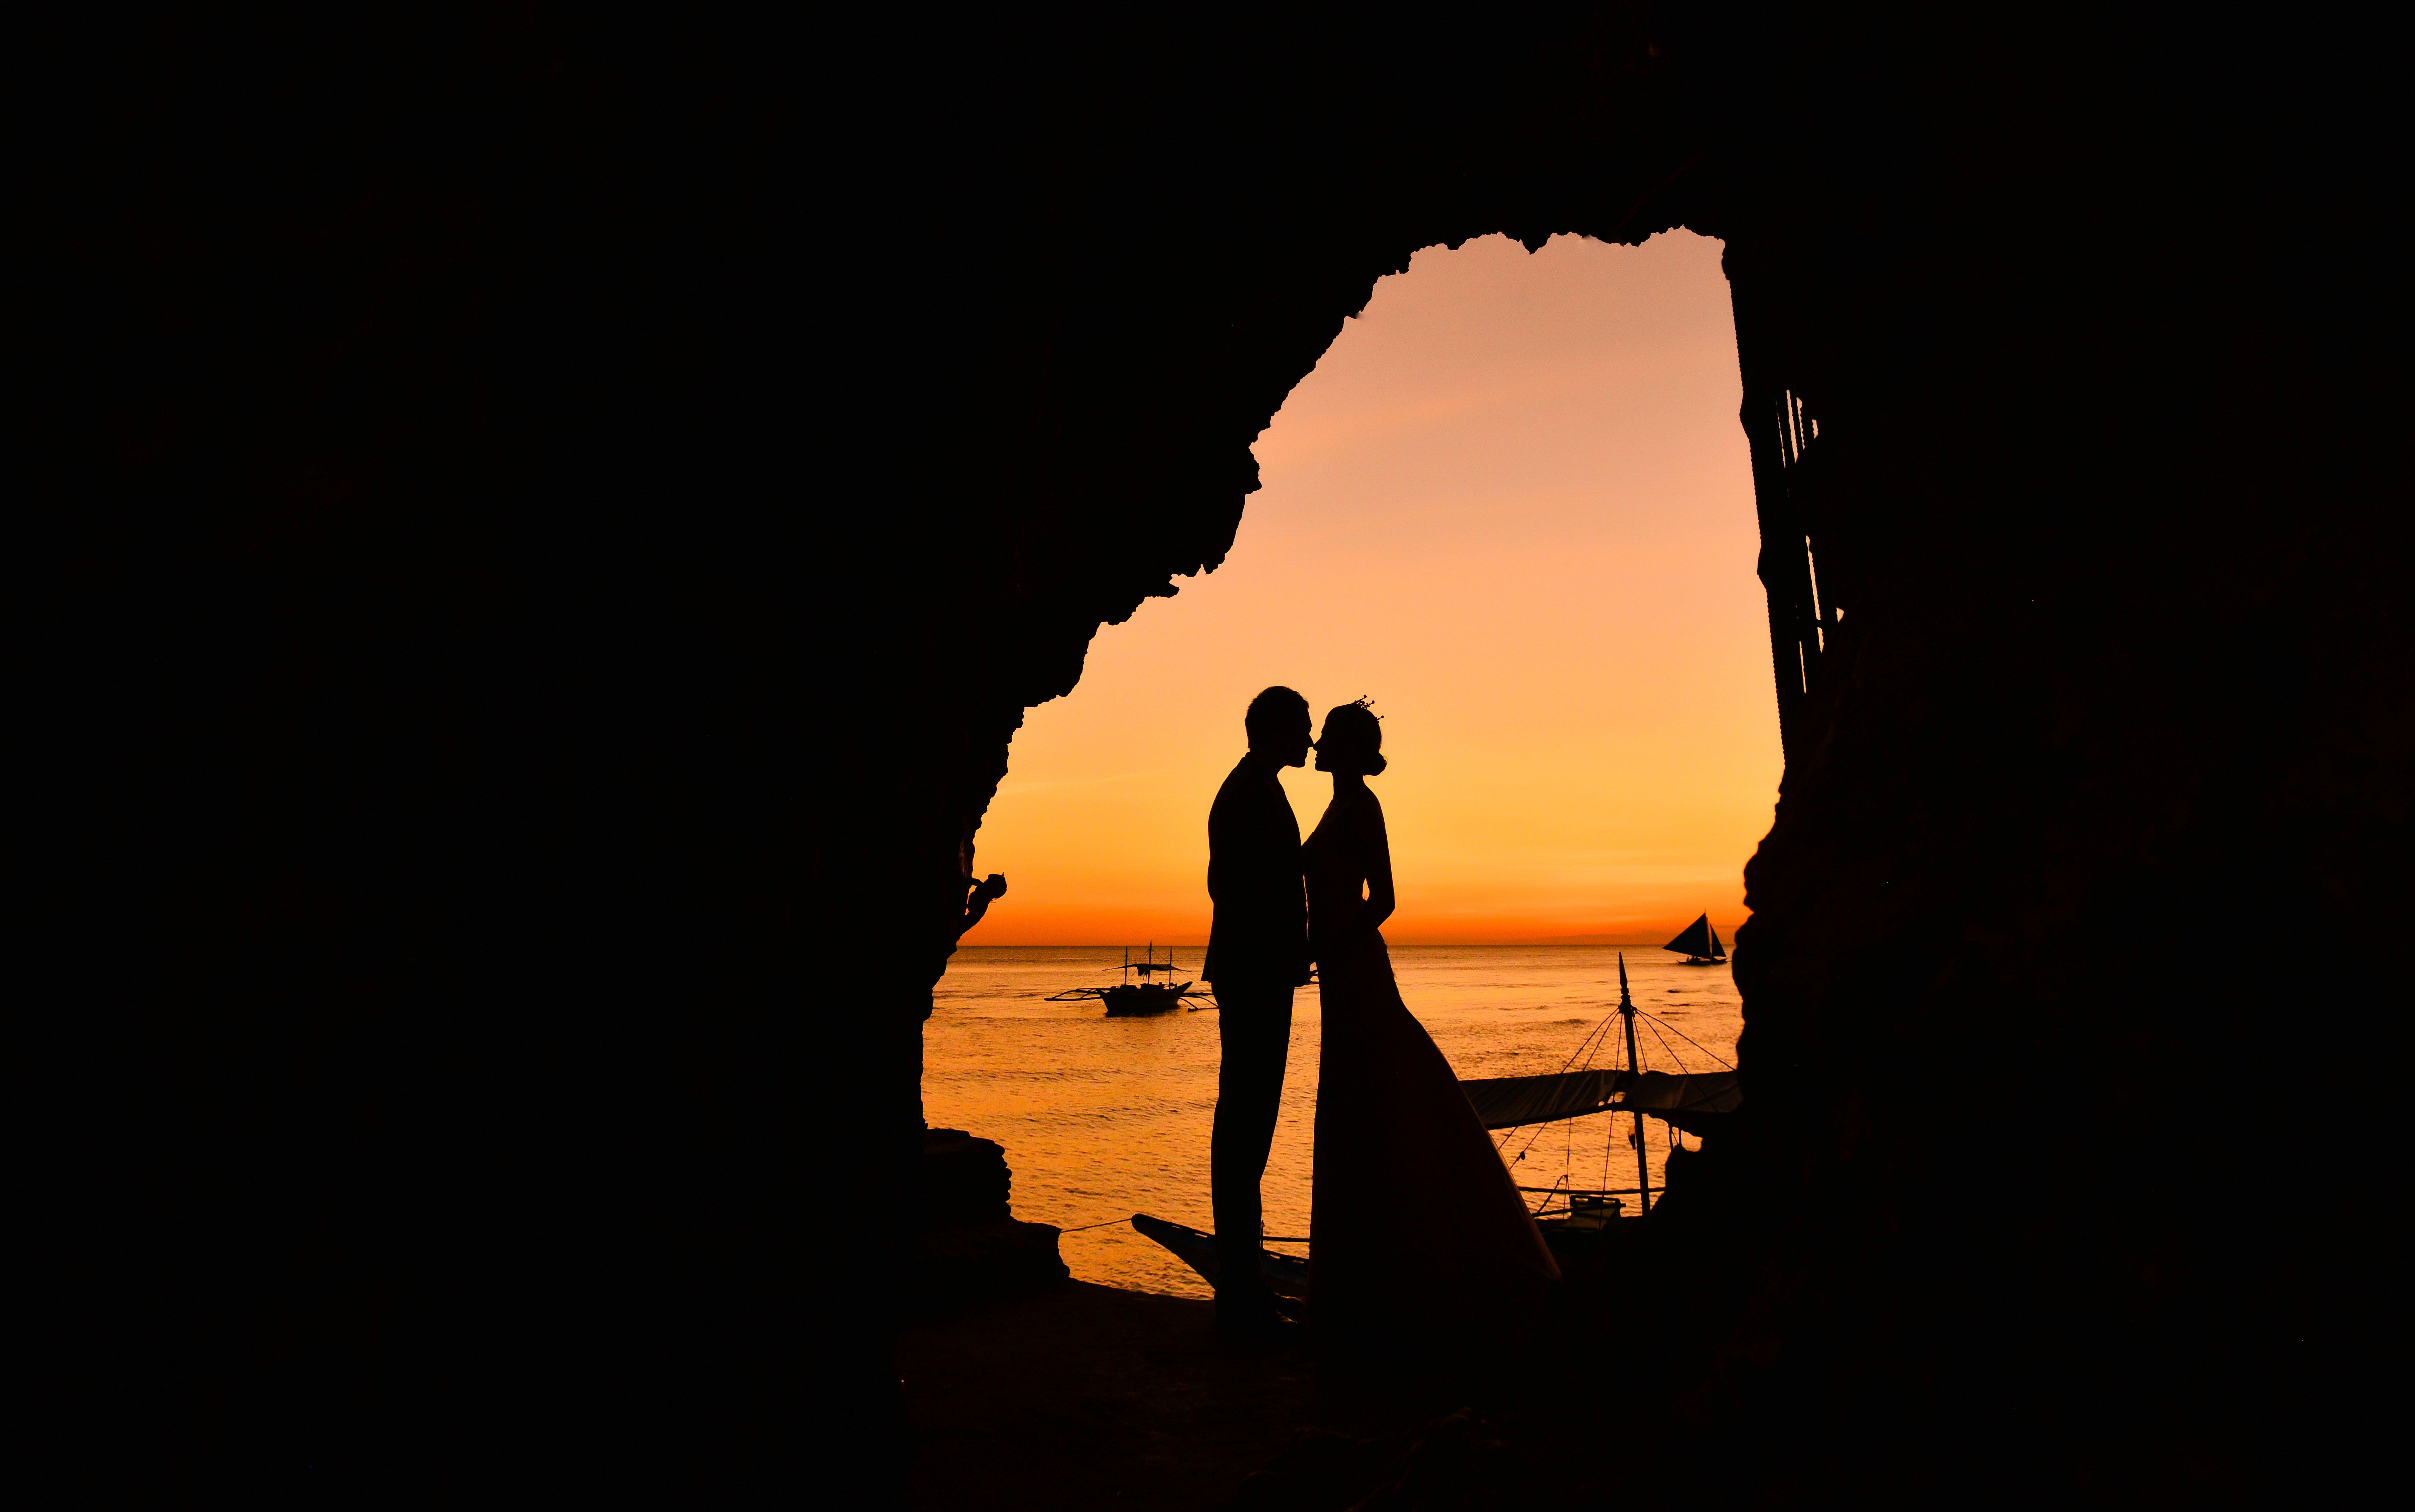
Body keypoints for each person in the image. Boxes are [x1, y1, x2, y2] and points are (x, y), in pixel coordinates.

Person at [1304, 700, 1560, 1348]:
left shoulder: (1361, 807)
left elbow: (1384, 898)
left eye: (1329, 734)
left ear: (1351, 748)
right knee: (1359, 1102)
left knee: (1377, 1094)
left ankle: (1405, 1270)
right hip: (1338, 969)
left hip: (1354, 966)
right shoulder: (1338, 806)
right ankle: (1372, 1270)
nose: (1317, 741)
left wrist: (1329, 944)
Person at [1203, 686, 1314, 1336]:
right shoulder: (1248, 792)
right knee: (1246, 1124)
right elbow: (1234, 884)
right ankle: (1240, 1287)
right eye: (1300, 726)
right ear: (1272, 729)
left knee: (1247, 1123)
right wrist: (1288, 941)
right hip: (1253, 973)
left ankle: (1239, 1279)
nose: (1306, 738)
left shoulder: (1252, 788)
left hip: (1255, 969)